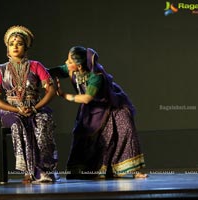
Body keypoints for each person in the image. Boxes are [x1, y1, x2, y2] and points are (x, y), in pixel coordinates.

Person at [49, 46, 147, 179]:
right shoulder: (72, 69)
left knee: (125, 130)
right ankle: (84, 171)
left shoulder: (96, 76)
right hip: (92, 111)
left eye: (70, 61)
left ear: (79, 66)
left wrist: (63, 95)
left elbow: (87, 98)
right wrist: (37, 71)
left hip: (111, 107)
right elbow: (53, 71)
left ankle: (135, 171)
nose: (66, 63)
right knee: (84, 136)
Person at [0, 25, 59, 183]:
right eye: (11, 44)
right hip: (11, 111)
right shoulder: (1, 70)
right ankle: (28, 171)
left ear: (26, 46)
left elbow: (51, 91)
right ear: (7, 47)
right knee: (18, 124)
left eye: (19, 43)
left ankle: (44, 169)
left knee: (42, 122)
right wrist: (16, 108)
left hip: (35, 108)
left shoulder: (36, 66)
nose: (15, 46)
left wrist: (34, 108)